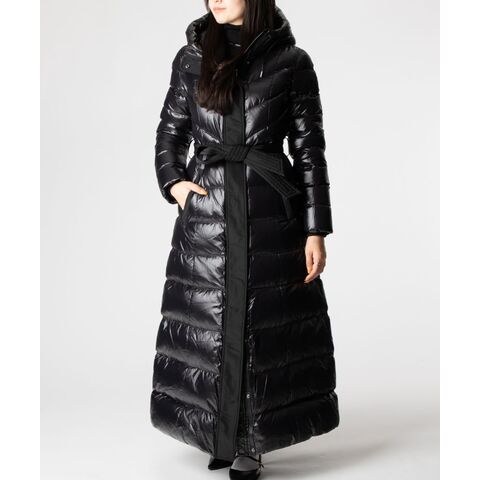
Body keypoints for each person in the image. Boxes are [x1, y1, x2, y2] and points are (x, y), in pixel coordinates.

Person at [150, 1, 339, 479]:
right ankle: (217, 434)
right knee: (210, 323)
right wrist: (175, 184)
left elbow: (309, 151)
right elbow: (170, 133)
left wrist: (315, 229)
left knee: (260, 328)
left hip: (269, 213)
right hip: (208, 214)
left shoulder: (292, 63)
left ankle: (249, 443)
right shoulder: (191, 57)